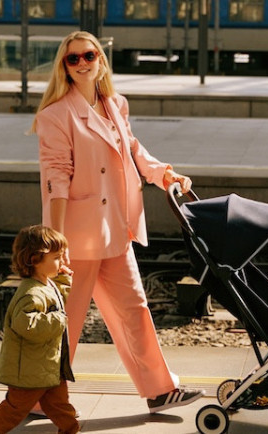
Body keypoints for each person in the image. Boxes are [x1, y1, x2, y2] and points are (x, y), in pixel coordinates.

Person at [31, 30, 202, 414]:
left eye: (88, 55)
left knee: (134, 309)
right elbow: (56, 178)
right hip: (76, 237)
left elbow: (133, 148)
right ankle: (40, 396)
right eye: (72, 59)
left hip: (115, 230)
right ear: (64, 67)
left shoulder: (115, 104)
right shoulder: (55, 116)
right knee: (66, 321)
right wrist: (55, 242)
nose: (82, 64)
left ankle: (160, 389)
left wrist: (163, 175)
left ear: (101, 60)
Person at [0, 225, 79, 434]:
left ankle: (71, 430)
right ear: (34, 260)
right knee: (13, 410)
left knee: (61, 407)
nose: (62, 262)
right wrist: (59, 320)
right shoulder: (31, 293)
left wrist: (62, 280)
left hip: (48, 368)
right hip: (29, 372)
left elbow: (54, 302)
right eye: (57, 258)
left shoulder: (45, 284)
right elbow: (26, 324)